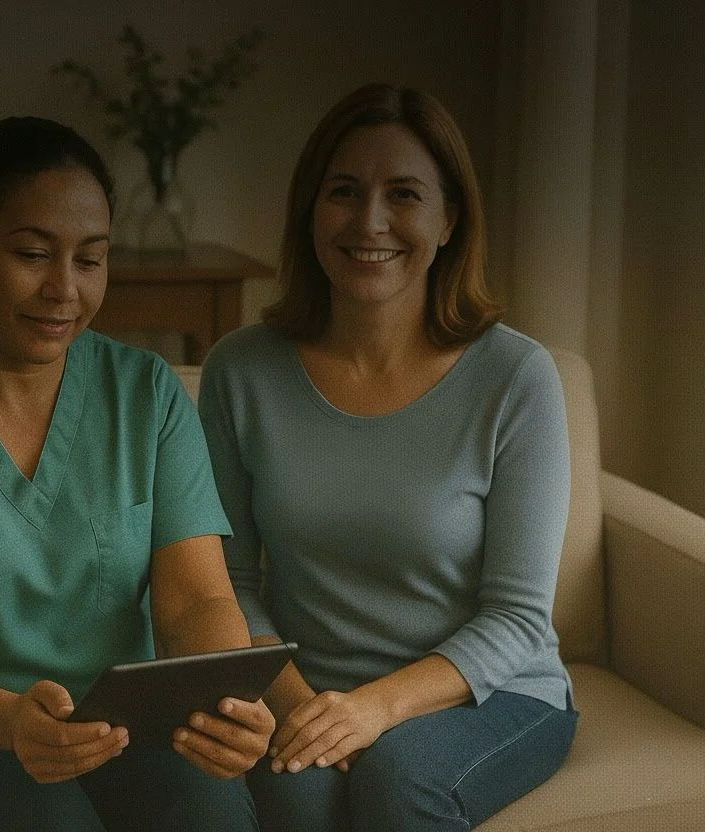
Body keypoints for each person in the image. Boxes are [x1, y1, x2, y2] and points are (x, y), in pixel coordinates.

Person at [0, 116, 273, 831]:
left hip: (136, 729)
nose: (63, 290)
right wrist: (13, 721)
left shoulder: (147, 393)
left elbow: (195, 599)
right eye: (33, 254)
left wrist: (224, 699)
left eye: (90, 260)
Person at [197, 83, 577, 831]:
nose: (369, 221)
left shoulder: (516, 377)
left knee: (400, 782)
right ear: (311, 211)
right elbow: (229, 579)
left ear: (449, 219)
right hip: (310, 691)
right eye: (343, 192)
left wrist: (373, 710)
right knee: (291, 802)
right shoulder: (241, 370)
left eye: (403, 194)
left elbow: (518, 615)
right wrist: (300, 704)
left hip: (491, 694)